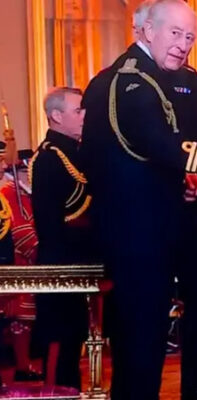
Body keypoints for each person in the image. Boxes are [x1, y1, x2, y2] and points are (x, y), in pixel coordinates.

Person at [80, 0, 197, 397]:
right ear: (147, 31)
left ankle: (195, 394)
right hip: (136, 231)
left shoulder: (184, 80)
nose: (184, 44)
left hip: (178, 219)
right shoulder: (125, 82)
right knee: (142, 331)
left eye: (190, 37)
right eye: (176, 34)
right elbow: (160, 143)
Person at [31, 87, 95, 390]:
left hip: (83, 262)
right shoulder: (49, 158)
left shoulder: (79, 153)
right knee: (61, 341)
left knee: (76, 338)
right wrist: (61, 270)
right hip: (61, 265)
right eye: (78, 110)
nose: (84, 116)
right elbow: (49, 224)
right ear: (56, 116)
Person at [0, 150, 42, 382]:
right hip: (15, 263)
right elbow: (18, 229)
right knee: (18, 317)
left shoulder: (27, 194)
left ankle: (25, 364)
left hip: (28, 263)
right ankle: (21, 364)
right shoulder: (8, 192)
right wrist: (38, 251)